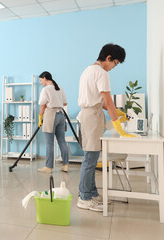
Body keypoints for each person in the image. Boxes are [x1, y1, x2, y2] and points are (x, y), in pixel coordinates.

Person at [76, 43, 134, 212]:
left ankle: (91, 193)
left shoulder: (88, 71)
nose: (113, 67)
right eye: (114, 63)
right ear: (108, 58)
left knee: (91, 158)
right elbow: (107, 101)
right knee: (90, 159)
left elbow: (100, 102)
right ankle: (85, 198)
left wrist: (117, 112)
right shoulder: (102, 73)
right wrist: (118, 126)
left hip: (88, 115)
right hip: (92, 118)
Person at [37, 71, 69, 173]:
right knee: (62, 141)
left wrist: (40, 118)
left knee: (49, 143)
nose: (41, 82)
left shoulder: (46, 90)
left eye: (41, 80)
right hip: (61, 115)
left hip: (50, 115)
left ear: (45, 78)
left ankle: (48, 167)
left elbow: (42, 105)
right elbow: (65, 103)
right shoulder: (59, 87)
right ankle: (65, 165)